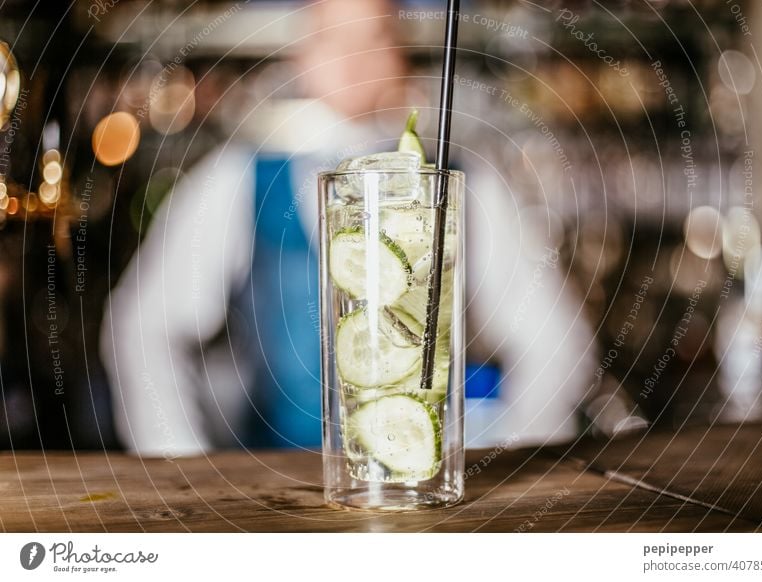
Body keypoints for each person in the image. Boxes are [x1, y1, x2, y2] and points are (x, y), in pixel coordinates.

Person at [101, 0, 595, 458]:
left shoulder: (466, 185)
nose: (355, 59)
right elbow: (141, 328)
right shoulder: (233, 179)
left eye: (374, 38)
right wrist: (183, 463)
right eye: (335, 39)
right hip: (272, 503)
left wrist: (515, 461)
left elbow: (558, 345)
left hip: (426, 498)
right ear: (303, 54)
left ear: (401, 54)